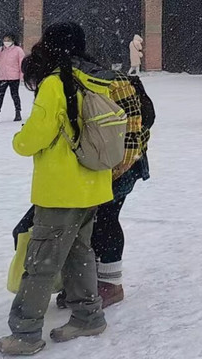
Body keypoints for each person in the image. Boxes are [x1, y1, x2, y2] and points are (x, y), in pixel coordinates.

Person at [0, 22, 113, 356]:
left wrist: (19, 140)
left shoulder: (54, 83)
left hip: (61, 190)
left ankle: (26, 333)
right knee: (80, 254)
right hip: (93, 184)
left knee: (41, 264)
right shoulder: (97, 78)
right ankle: (88, 316)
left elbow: (34, 137)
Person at [57, 74, 153, 310]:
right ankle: (88, 281)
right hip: (106, 163)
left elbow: (134, 127)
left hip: (122, 164)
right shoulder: (86, 78)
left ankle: (111, 284)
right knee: (92, 222)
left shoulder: (108, 83)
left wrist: (117, 170)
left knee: (105, 219)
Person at [0, 34, 26, 123]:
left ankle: (18, 113)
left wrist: (22, 75)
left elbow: (22, 63)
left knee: (15, 95)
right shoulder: (1, 50)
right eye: (5, 40)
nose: (6, 42)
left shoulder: (18, 50)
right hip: (2, 77)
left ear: (13, 40)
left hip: (14, 77)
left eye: (8, 40)